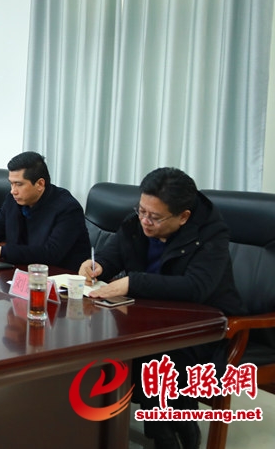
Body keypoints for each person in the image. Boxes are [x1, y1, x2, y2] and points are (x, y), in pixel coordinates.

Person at [78, 167, 245, 449]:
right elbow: (114, 252)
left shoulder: (210, 235)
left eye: (154, 217)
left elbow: (196, 287)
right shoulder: (137, 223)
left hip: (203, 329)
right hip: (150, 320)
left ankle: (167, 432)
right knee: (103, 350)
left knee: (151, 359)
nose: (144, 220)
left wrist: (133, 283)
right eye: (141, 210)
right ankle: (166, 430)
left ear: (183, 217)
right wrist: (98, 265)